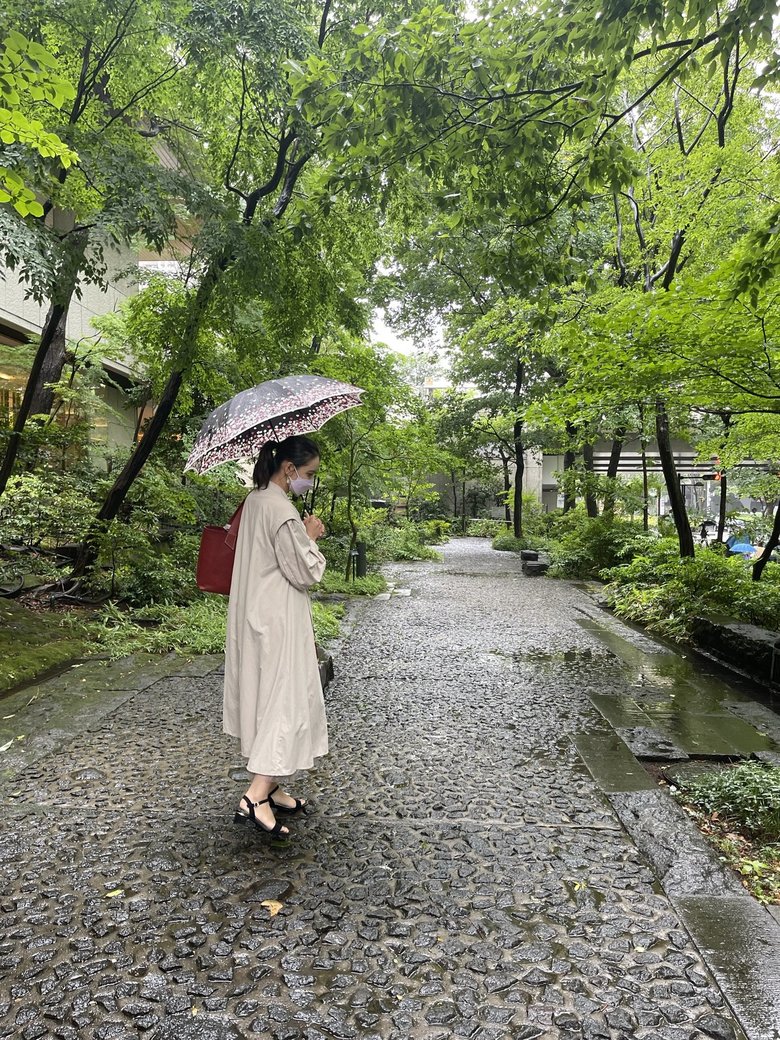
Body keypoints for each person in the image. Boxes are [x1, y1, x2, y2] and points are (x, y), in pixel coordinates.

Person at [223, 435, 327, 838]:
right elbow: (304, 572)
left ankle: (275, 787)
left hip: (254, 613)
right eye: (309, 474)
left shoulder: (255, 499)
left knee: (265, 698)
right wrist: (310, 536)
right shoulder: (281, 510)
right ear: (289, 469)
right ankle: (255, 795)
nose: (310, 481)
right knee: (283, 702)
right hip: (278, 619)